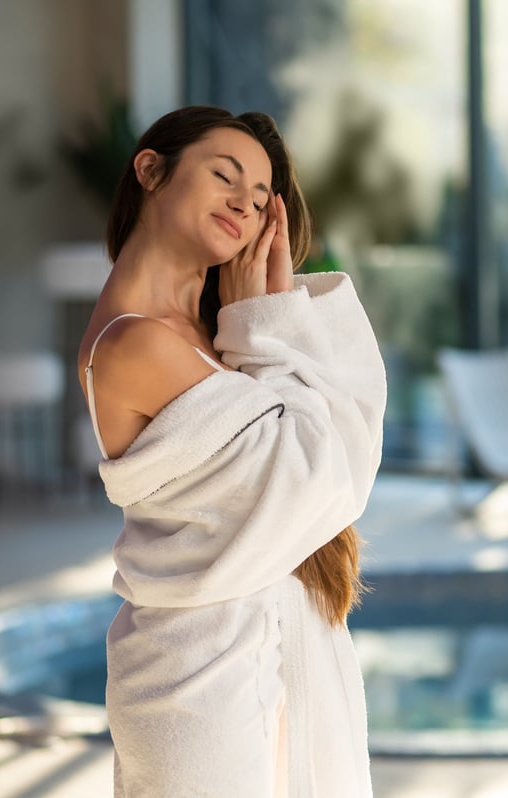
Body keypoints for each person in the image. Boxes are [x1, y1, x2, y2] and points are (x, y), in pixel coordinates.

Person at [76, 105, 385, 797]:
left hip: (254, 648)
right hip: (198, 681)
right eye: (224, 176)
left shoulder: (215, 334)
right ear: (151, 169)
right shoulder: (134, 342)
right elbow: (319, 471)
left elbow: (325, 459)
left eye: (256, 199)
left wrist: (253, 321)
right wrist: (264, 326)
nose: (241, 205)